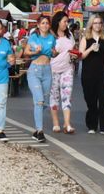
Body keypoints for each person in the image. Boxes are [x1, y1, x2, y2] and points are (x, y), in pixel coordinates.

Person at [24, 15, 56, 143]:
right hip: (34, 71)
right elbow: (26, 52)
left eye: (47, 23)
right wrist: (34, 52)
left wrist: (55, 53)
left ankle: (36, 130)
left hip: (47, 71)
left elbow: (53, 53)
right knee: (39, 101)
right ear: (38, 25)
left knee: (45, 103)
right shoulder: (34, 37)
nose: (45, 25)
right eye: (42, 23)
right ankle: (40, 131)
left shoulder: (52, 38)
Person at [80, 16, 104, 134]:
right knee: (91, 101)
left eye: (100, 23)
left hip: (103, 73)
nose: (98, 25)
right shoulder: (85, 38)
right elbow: (81, 56)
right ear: (91, 25)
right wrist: (90, 49)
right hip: (88, 74)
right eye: (95, 23)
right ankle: (92, 125)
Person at [49, 13, 77, 133]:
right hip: (53, 69)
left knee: (67, 95)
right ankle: (56, 123)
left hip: (68, 68)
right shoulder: (50, 35)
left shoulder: (69, 35)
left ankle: (67, 123)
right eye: (64, 21)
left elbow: (73, 48)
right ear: (58, 22)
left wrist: (74, 55)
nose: (67, 24)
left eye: (67, 22)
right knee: (54, 96)